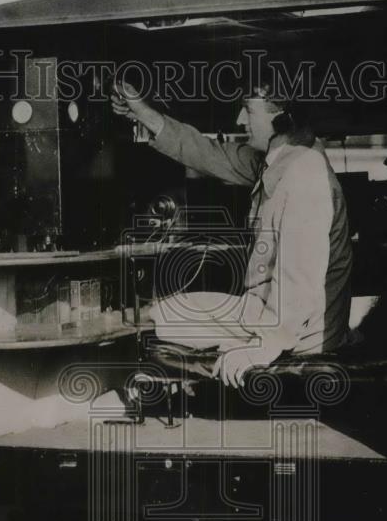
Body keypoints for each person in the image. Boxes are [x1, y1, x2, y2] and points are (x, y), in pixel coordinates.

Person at [111, 77, 352, 389]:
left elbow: (301, 279)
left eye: (248, 111)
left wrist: (265, 346)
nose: (240, 120)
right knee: (160, 312)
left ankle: (116, 390)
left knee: (153, 317)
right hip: (273, 315)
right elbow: (207, 153)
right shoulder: (281, 160)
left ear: (283, 119)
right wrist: (140, 112)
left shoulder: (304, 173)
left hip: (296, 331)